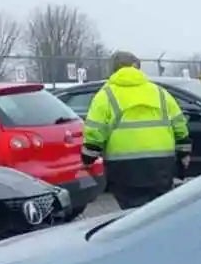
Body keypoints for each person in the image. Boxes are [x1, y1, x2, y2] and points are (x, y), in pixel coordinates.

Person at [81, 52, 191, 209]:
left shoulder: (105, 95)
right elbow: (180, 126)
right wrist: (183, 155)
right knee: (160, 210)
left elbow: (94, 133)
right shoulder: (159, 92)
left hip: (124, 167)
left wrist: (87, 159)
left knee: (132, 213)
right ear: (137, 68)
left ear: (113, 70)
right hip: (161, 163)